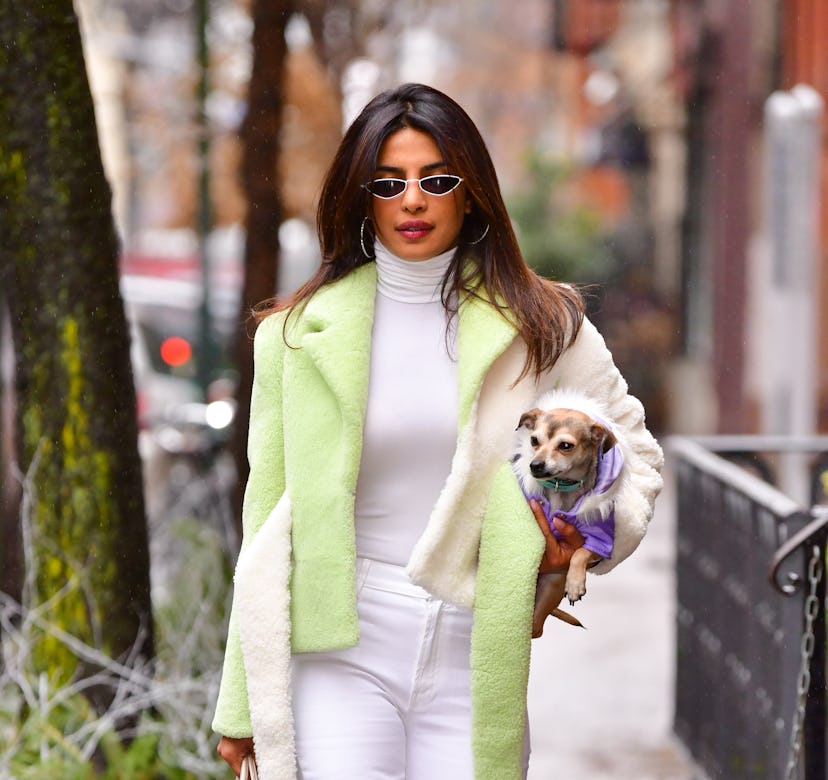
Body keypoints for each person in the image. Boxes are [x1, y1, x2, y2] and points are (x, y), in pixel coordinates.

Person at [212, 82, 663, 780]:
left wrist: (588, 535)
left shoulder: (542, 324)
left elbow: (633, 450)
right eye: (389, 182)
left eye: (436, 179)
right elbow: (264, 519)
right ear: (362, 195)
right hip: (340, 643)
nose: (413, 200)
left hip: (475, 638)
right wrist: (240, 703)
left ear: (471, 190)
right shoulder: (296, 338)